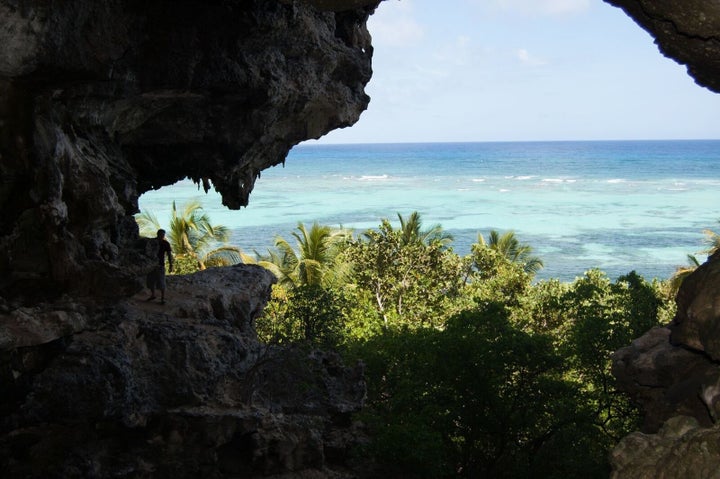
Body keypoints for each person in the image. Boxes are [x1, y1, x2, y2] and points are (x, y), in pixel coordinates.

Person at [147, 229, 173, 304]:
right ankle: (153, 295)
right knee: (151, 281)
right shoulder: (152, 242)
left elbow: (169, 255)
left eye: (163, 235)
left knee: (162, 282)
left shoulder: (166, 243)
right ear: (157, 234)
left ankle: (162, 298)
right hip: (151, 264)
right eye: (161, 234)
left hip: (160, 265)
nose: (162, 236)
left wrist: (171, 265)